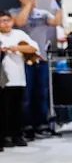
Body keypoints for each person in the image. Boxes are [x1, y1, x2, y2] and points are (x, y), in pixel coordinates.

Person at [11, 0, 61, 140]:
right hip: (22, 60)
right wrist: (28, 5)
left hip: (41, 59)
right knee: (25, 96)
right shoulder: (13, 13)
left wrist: (57, 3)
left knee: (41, 94)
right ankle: (26, 127)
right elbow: (20, 22)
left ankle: (42, 125)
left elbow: (56, 22)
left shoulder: (42, 14)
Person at [0, 11, 39, 148]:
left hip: (18, 77)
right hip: (3, 79)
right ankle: (4, 136)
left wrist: (16, 47)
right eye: (2, 21)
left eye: (7, 20)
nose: (5, 23)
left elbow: (33, 47)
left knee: (17, 108)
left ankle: (17, 134)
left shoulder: (19, 34)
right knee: (4, 109)